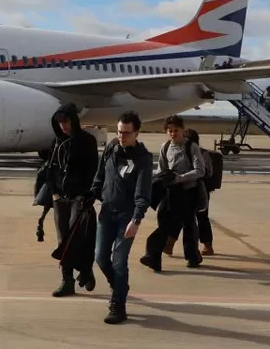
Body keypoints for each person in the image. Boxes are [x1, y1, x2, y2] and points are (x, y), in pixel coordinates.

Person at [88, 110, 153, 325]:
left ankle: (118, 304)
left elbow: (142, 192)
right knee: (100, 257)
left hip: (127, 216)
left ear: (137, 133)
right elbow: (100, 175)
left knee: (119, 261)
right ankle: (119, 287)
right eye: (118, 132)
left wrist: (136, 219)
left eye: (126, 133)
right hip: (107, 211)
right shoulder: (111, 148)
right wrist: (93, 191)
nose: (121, 136)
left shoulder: (143, 157)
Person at [42, 103, 99, 297]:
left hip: (79, 198)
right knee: (62, 240)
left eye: (66, 122)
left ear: (74, 121)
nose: (63, 126)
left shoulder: (87, 141)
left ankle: (85, 270)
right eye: (59, 123)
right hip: (60, 198)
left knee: (78, 239)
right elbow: (49, 169)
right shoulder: (56, 143)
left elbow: (93, 170)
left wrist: (87, 194)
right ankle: (67, 280)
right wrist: (53, 193)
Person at [141, 116, 206, 272]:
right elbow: (161, 170)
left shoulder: (192, 147)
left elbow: (200, 171)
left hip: (188, 192)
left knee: (189, 225)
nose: (173, 134)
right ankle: (154, 257)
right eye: (170, 131)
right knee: (164, 221)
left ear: (182, 130)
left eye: (176, 130)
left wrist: (180, 178)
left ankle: (191, 257)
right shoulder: (165, 147)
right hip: (170, 192)